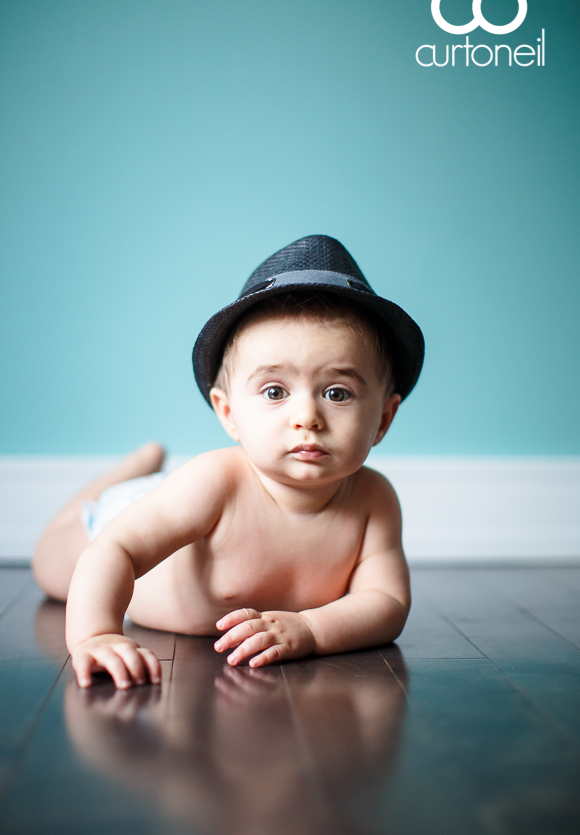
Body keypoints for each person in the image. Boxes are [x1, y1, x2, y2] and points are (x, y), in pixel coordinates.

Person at [33, 235, 424, 689]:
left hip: (169, 508)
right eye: (275, 391)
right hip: (115, 521)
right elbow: (114, 549)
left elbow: (386, 600)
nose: (307, 418)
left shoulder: (374, 499)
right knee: (51, 562)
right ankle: (127, 471)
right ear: (229, 413)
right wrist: (96, 634)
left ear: (383, 418)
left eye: (337, 393)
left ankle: (144, 468)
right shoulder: (214, 481)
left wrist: (312, 630)